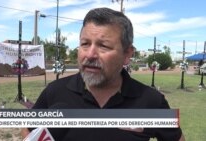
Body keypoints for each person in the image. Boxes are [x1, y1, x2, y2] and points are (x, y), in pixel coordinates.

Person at [21, 7, 185, 141]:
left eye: (103, 46)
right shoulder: (55, 92)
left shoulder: (152, 101)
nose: (90, 54)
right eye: (85, 44)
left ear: (127, 54)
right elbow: (28, 128)